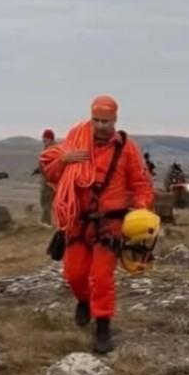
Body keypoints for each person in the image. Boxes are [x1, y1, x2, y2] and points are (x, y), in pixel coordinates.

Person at [39, 95, 154, 354]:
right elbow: (51, 174)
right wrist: (64, 160)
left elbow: (141, 183)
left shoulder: (127, 148)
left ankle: (103, 325)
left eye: (106, 121)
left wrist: (142, 209)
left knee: (101, 278)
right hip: (77, 222)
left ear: (115, 120)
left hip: (109, 224)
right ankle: (83, 299)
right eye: (96, 120)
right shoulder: (75, 144)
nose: (100, 125)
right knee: (74, 274)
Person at [31, 129, 57, 225]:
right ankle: (48, 221)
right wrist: (38, 170)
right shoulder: (49, 149)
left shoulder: (54, 150)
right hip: (46, 179)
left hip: (50, 181)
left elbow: (54, 165)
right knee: (45, 200)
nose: (44, 141)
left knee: (47, 201)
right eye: (43, 139)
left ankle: (46, 222)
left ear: (51, 139)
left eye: (46, 139)